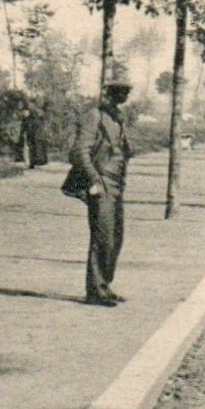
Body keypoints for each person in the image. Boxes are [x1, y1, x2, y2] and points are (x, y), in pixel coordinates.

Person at [69, 60, 134, 307]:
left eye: (127, 90)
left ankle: (104, 284)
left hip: (117, 183)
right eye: (121, 90)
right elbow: (79, 152)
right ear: (109, 91)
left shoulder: (118, 117)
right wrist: (93, 180)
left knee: (116, 236)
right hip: (102, 182)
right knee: (102, 236)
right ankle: (95, 291)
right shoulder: (94, 116)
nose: (125, 94)